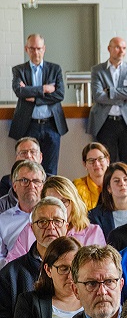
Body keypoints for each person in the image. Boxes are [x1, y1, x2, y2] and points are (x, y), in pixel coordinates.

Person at [0, 197, 67, 318]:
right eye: (42, 222)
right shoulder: (10, 274)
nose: (50, 227)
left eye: (56, 221)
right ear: (32, 228)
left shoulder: (82, 269)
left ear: (67, 226)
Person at [8, 175, 106, 262]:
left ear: (73, 202)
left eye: (63, 201)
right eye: (53, 202)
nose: (59, 207)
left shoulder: (93, 232)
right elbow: (11, 265)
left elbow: (100, 269)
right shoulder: (30, 230)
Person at [10, 34, 67, 176]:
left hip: (51, 126)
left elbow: (59, 95)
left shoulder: (55, 69)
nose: (36, 52)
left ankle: (48, 197)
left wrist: (34, 98)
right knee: (27, 168)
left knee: (50, 170)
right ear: (26, 49)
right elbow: (19, 91)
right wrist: (44, 89)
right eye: (32, 48)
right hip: (28, 125)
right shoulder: (19, 70)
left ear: (44, 49)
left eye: (39, 48)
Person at [87, 37, 127, 169]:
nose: (121, 51)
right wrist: (124, 94)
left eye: (124, 48)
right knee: (107, 166)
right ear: (109, 49)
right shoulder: (98, 70)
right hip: (105, 124)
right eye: (117, 47)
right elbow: (98, 96)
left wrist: (110, 91)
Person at [0, 160, 45, 266]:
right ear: (14, 186)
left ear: (42, 186)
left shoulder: (53, 217)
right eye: (25, 180)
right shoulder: (2, 220)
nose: (31, 185)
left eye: (36, 181)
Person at [88, 162, 127, 239]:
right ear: (108, 188)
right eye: (117, 181)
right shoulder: (95, 216)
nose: (122, 183)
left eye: (126, 179)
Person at [72, 142, 110, 210]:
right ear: (84, 164)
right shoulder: (76, 187)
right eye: (91, 160)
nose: (96, 164)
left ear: (107, 161)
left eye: (100, 159)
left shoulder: (116, 185)